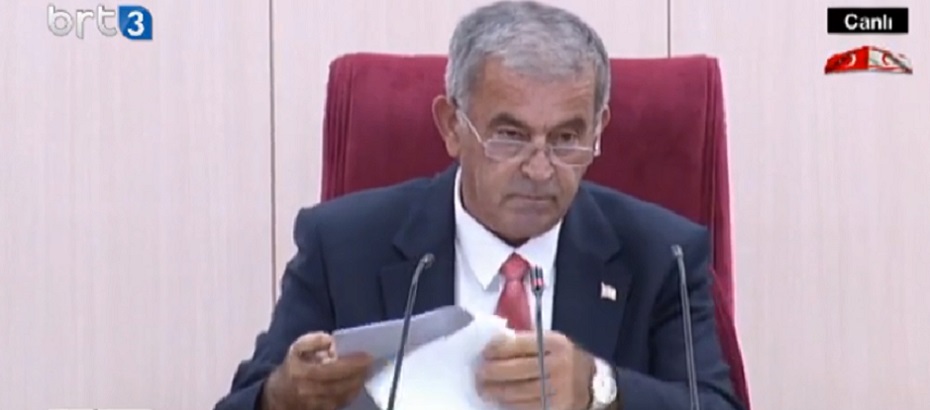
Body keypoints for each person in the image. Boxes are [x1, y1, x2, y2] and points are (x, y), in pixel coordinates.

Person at [215, 1, 744, 409]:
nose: (540, 169)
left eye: (566, 138)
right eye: (510, 136)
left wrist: (598, 388)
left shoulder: (663, 255)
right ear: (451, 126)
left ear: (598, 130)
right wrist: (283, 395)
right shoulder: (342, 246)